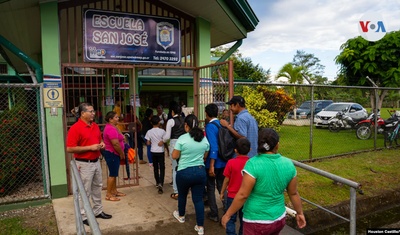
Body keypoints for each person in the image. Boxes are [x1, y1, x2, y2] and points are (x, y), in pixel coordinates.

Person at [221, 128, 306, 234]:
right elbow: (293, 193)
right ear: (277, 145)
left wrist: (228, 214)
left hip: (256, 221)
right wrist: (300, 213)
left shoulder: (253, 164)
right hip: (278, 219)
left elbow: (243, 195)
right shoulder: (288, 164)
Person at [66, 102, 112, 226]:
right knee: (85, 190)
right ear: (82, 113)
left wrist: (101, 143)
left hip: (96, 161)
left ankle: (98, 211)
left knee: (97, 187)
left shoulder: (95, 126)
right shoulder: (75, 128)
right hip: (84, 164)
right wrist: (90, 148)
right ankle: (83, 215)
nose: (93, 113)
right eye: (90, 111)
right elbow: (70, 148)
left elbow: (99, 139)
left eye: (93, 111)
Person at [172, 114, 209, 235]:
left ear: (186, 126)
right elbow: (205, 155)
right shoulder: (203, 138)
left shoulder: (182, 138)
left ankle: (181, 216)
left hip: (184, 172)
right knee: (198, 200)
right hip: (200, 172)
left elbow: (174, 156)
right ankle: (200, 227)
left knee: (182, 195)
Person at [220, 138, 250, 235]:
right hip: (246, 196)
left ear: (235, 150)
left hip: (232, 196)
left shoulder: (231, 162)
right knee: (244, 220)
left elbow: (226, 180)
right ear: (249, 149)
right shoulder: (251, 163)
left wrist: (222, 192)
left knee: (230, 219)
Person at [204, 103, 226, 222]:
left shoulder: (210, 126)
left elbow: (214, 147)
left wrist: (211, 164)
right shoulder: (222, 124)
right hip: (223, 161)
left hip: (214, 162)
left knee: (211, 188)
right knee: (222, 186)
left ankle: (214, 213)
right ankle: (227, 210)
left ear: (206, 114)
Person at [102, 111, 127, 201]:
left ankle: (114, 191)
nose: (118, 119)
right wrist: (121, 153)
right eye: (116, 117)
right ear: (110, 119)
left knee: (114, 172)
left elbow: (121, 136)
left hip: (114, 153)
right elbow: (115, 144)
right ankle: (108, 194)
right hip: (112, 153)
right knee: (112, 174)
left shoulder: (114, 127)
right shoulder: (110, 129)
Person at [163, 104, 185, 200]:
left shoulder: (171, 121)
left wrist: (162, 141)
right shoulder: (184, 120)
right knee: (183, 166)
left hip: (174, 144)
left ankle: (176, 191)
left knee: (175, 167)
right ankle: (184, 188)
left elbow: (167, 136)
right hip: (184, 143)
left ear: (172, 112)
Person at [145, 115, 166, 194]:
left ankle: (157, 182)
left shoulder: (149, 132)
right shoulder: (162, 131)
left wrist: (150, 142)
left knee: (155, 168)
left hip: (153, 151)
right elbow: (165, 140)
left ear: (151, 123)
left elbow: (148, 142)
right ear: (159, 122)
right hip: (160, 151)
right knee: (162, 167)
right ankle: (161, 182)